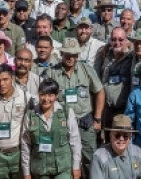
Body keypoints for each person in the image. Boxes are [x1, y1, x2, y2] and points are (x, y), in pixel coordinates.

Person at [44, 37, 105, 178]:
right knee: (65, 161)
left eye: (74, 55)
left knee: (90, 160)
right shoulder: (51, 72)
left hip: (85, 122)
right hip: (62, 123)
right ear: (61, 54)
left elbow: (100, 91)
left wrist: (97, 118)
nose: (71, 58)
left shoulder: (86, 69)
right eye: (68, 54)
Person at [21, 78, 82, 179]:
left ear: (56, 96)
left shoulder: (66, 112)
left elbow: (75, 141)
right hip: (40, 168)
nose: (46, 99)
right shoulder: (30, 116)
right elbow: (25, 145)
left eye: (50, 95)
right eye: (42, 94)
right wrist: (26, 172)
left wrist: (76, 166)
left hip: (63, 167)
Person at [90, 114, 141, 179]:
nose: (121, 139)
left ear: (130, 138)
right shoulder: (99, 157)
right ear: (110, 136)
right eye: (117, 135)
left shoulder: (137, 152)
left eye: (125, 135)